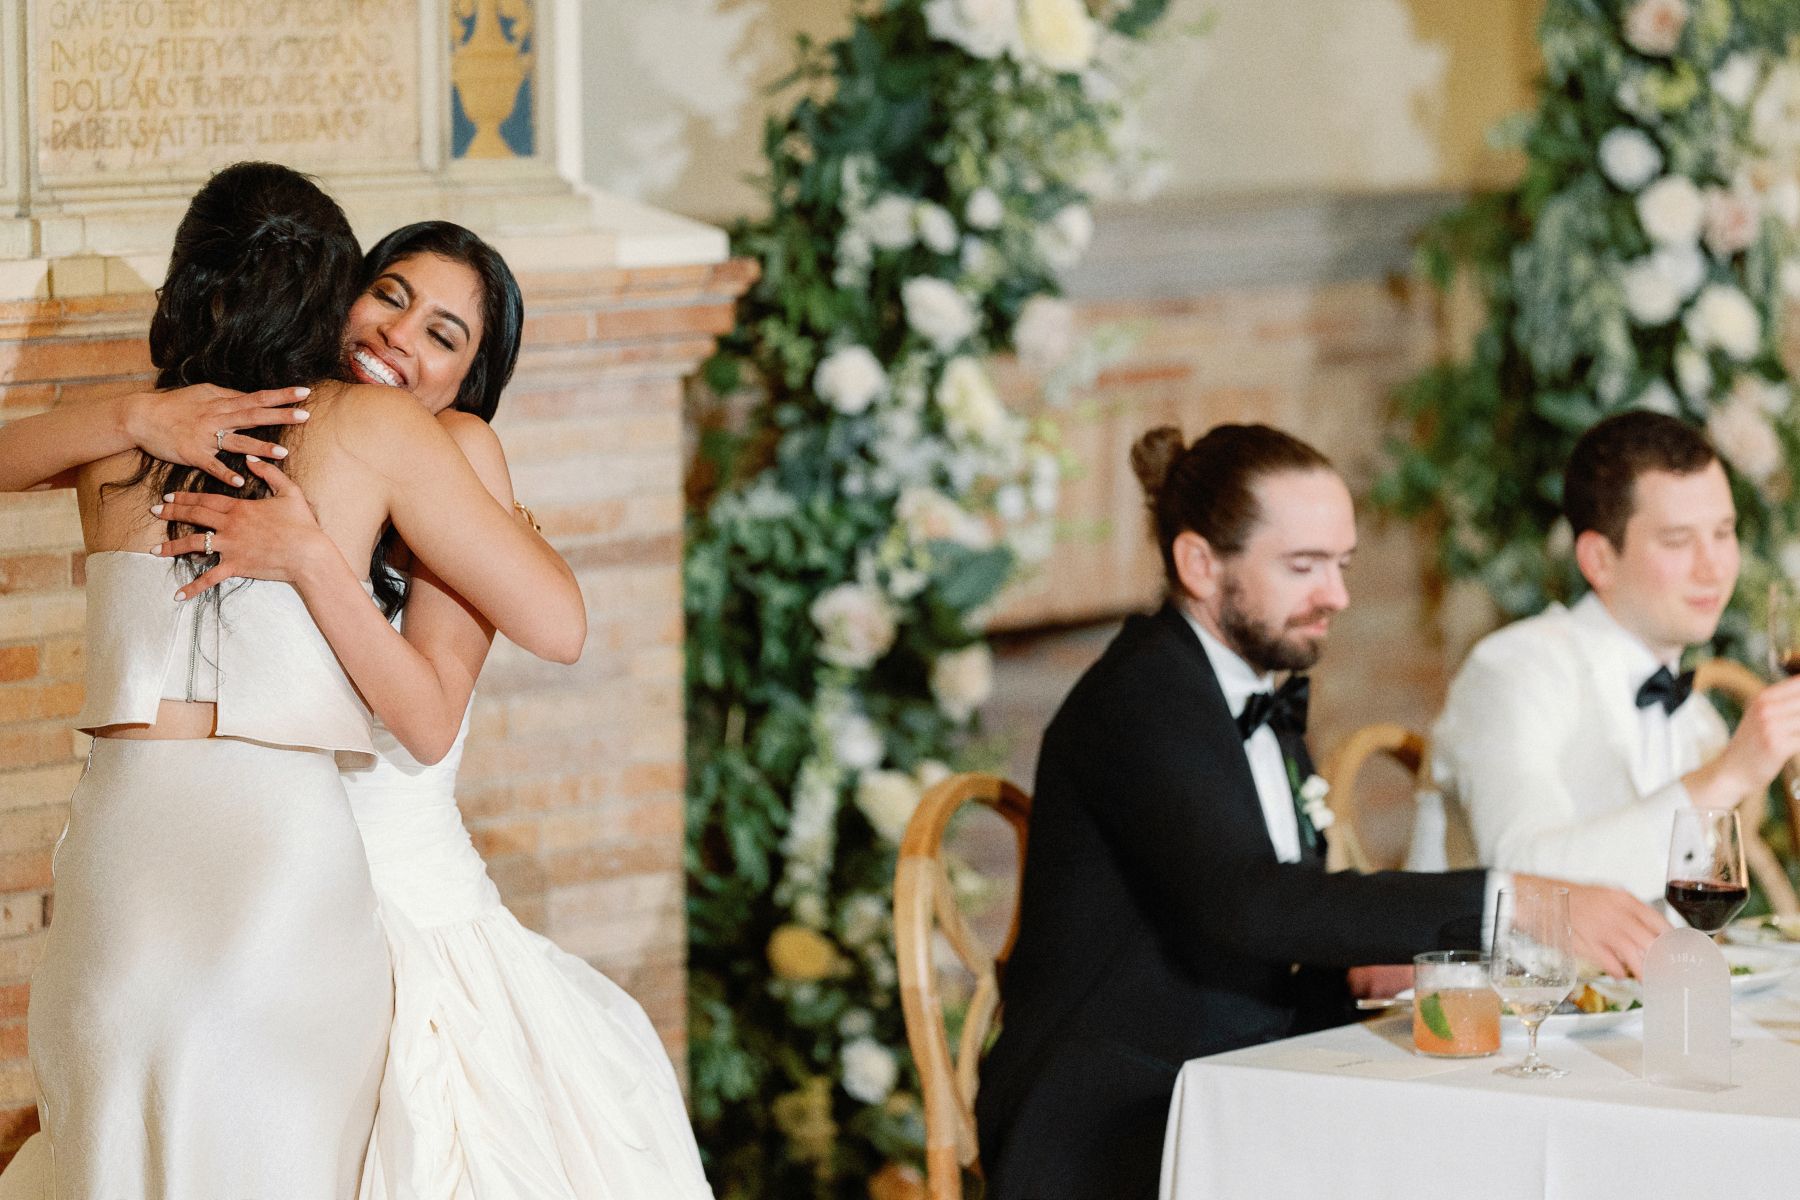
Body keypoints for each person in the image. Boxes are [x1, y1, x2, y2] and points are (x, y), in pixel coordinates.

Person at [0, 219, 712, 1197]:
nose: (401, 335)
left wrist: (308, 559)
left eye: (444, 334)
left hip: (389, 906)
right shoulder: (262, 421)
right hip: (240, 889)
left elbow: (484, 683)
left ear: (467, 380)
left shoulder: (453, 449)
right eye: (393, 295)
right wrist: (137, 415)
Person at [972, 423, 1669, 1200]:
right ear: (1199, 563)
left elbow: (1261, 930)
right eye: (1303, 567)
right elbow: (1251, 905)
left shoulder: (1246, 689)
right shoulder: (1142, 699)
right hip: (1110, 1121)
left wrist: (1363, 971)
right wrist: (1525, 901)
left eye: (1341, 565)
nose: (1335, 596)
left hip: (1237, 1079)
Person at [1421, 411, 1800, 899]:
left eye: (1723, 533)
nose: (1715, 567)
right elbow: (1521, 875)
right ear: (1599, 560)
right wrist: (1728, 775)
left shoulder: (1699, 718)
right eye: (1678, 540)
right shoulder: (1513, 669)